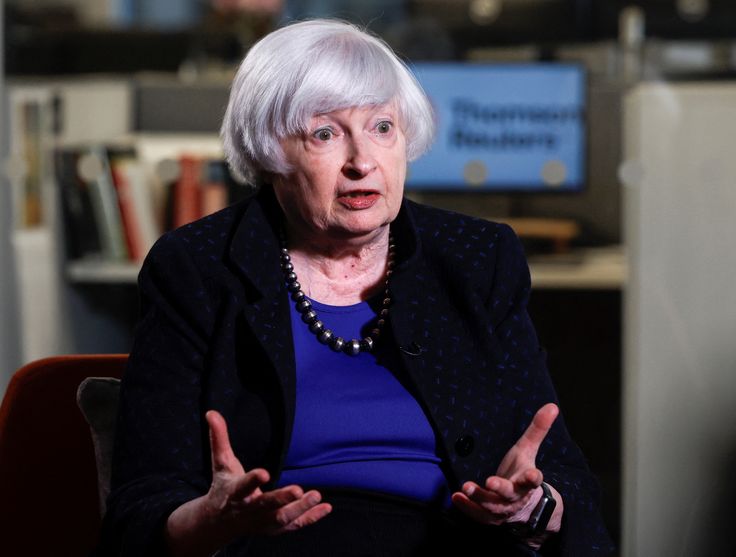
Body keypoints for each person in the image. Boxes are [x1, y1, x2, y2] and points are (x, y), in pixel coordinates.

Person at [99, 19, 615, 557]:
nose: (363, 161)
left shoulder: (476, 258)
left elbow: (560, 473)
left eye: (382, 127)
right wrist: (212, 521)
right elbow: (140, 508)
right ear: (268, 151)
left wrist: (532, 507)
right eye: (325, 133)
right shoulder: (198, 269)